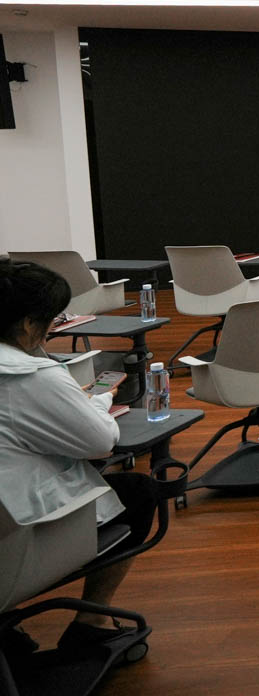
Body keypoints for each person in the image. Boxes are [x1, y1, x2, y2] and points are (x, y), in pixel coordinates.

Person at [0, 261, 157, 652]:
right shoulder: (31, 377)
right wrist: (98, 401)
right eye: (52, 320)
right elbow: (100, 441)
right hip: (14, 547)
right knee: (137, 492)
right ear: (28, 325)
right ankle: (91, 622)